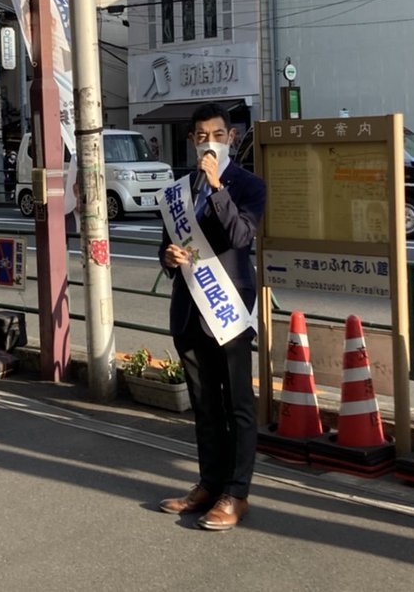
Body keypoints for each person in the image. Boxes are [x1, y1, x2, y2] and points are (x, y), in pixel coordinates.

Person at [157, 102, 265, 531]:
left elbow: (241, 234)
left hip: (227, 309)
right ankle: (208, 483)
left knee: (237, 404)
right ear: (191, 140)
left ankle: (236, 493)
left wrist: (218, 187)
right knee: (204, 406)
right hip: (189, 309)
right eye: (202, 136)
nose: (210, 143)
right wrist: (168, 258)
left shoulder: (249, 186)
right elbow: (165, 247)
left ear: (232, 139)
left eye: (218, 135)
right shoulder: (178, 191)